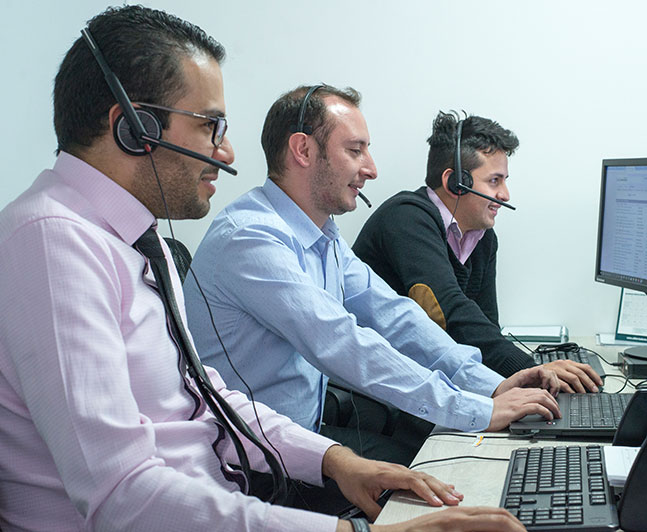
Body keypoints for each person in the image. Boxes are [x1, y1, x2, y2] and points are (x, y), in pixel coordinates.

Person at [0, 7, 527, 531]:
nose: (228, 152)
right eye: (211, 126)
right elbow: (123, 495)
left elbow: (206, 397)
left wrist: (335, 461)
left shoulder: (132, 238)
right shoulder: (54, 242)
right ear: (135, 128)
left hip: (223, 488)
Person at [184, 85, 562, 467]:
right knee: (445, 474)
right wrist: (476, 409)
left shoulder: (325, 237)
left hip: (301, 436)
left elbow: (396, 317)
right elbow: (344, 343)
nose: (371, 169)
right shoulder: (251, 238)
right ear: (303, 150)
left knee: (446, 460)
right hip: (252, 461)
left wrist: (492, 385)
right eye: (355, 150)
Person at [352, 112, 603, 393]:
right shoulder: (406, 219)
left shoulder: (482, 238)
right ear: (455, 182)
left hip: (427, 384)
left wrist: (527, 378)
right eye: (495, 181)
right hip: (375, 392)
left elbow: (485, 328)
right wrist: (531, 369)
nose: (505, 194)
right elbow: (447, 312)